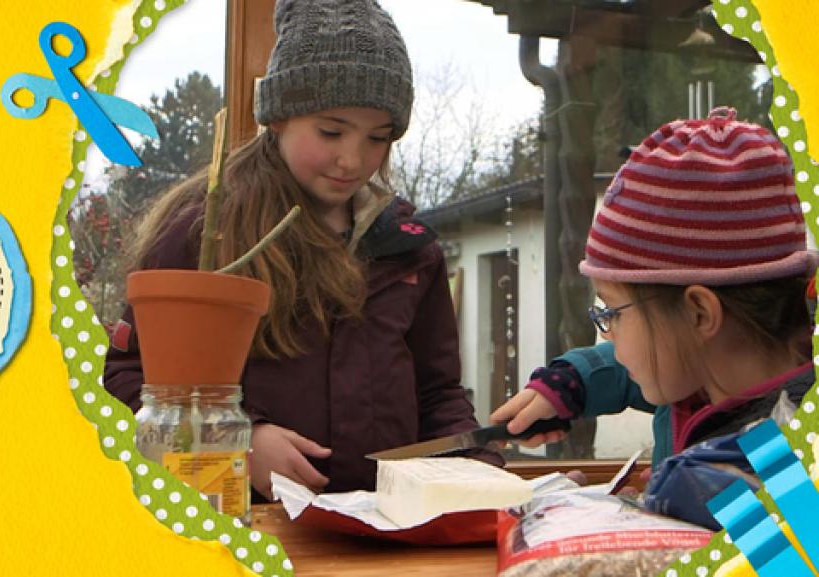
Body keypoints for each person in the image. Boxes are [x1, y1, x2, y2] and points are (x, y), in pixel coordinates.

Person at [104, 0, 482, 500]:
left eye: (378, 138)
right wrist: (241, 442)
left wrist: (480, 475)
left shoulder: (409, 250)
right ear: (278, 115)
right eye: (331, 131)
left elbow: (439, 395)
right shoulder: (205, 230)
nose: (353, 159)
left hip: (385, 534)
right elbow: (131, 377)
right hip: (246, 526)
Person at [491, 107, 816, 527]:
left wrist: (684, 496)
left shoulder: (786, 465)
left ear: (700, 313)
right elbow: (650, 360)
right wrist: (578, 380)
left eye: (612, 312)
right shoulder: (710, 375)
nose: (608, 333)